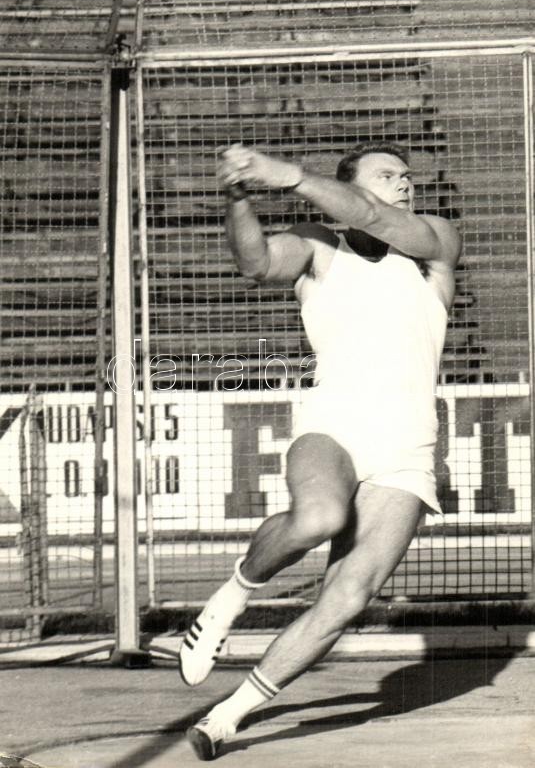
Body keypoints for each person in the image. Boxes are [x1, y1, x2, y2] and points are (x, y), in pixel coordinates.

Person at [180, 141, 461, 760]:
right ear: (352, 184)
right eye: (388, 175)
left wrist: (288, 175)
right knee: (319, 518)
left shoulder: (434, 242)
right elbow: (255, 262)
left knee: (349, 595)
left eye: (408, 176)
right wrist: (239, 197)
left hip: (408, 447)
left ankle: (229, 716)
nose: (405, 183)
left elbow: (375, 216)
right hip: (336, 425)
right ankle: (231, 597)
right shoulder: (319, 244)